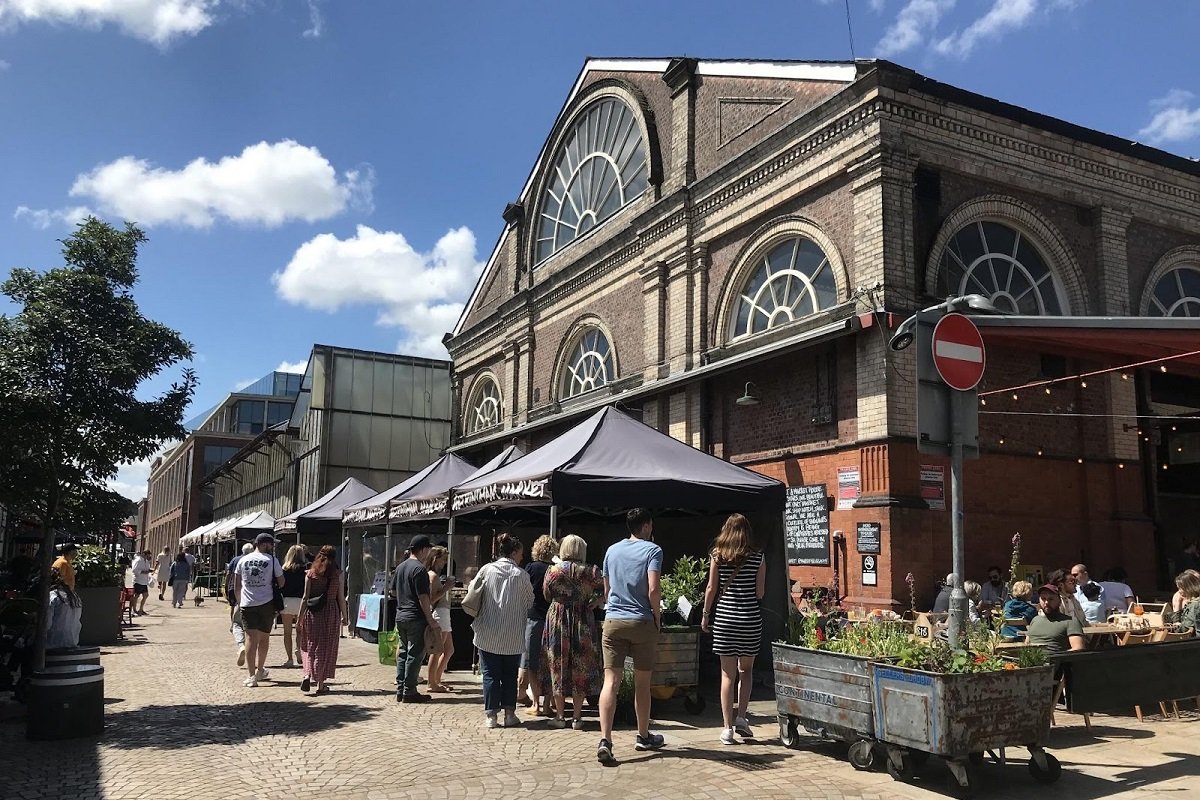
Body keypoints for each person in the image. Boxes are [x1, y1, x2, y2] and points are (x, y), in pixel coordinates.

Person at [597, 508, 666, 765]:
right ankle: (643, 735)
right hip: (641, 621)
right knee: (642, 683)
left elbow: (607, 589)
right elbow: (653, 588)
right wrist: (657, 616)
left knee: (610, 682)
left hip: (613, 620)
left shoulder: (611, 551)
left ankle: (606, 740)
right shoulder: (653, 550)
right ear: (647, 526)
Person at [701, 513, 765, 746]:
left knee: (727, 674)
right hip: (749, 618)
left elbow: (711, 588)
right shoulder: (758, 556)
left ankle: (727, 728)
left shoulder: (717, 555)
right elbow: (760, 593)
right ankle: (741, 718)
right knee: (746, 671)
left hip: (725, 619)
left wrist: (706, 615)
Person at [470, 533, 533, 729]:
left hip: (487, 630)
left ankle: (491, 716)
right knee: (509, 675)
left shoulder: (486, 570)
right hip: (512, 634)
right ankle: (509, 714)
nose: (522, 557)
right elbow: (529, 601)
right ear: (514, 553)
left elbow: (473, 592)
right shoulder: (522, 575)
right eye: (521, 554)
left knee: (489, 674)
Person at [542, 534, 603, 730]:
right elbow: (609, 588)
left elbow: (546, 593)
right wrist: (598, 601)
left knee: (557, 665)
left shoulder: (553, 571)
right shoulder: (591, 571)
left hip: (558, 618)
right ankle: (577, 717)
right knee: (581, 667)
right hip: (583, 619)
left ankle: (560, 716)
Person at [234, 533, 284, 687]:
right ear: (263, 544)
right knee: (264, 638)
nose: (272, 547)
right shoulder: (272, 561)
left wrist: (240, 601)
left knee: (250, 639)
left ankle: (251, 676)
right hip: (267, 603)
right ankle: (260, 669)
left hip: (247, 603)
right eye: (270, 545)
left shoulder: (242, 560)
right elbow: (281, 582)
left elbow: (236, 585)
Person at [297, 545, 348, 695]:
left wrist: (299, 618)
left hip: (312, 612)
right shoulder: (337, 575)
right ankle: (321, 683)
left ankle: (307, 674)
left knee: (309, 645)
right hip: (331, 611)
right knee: (326, 647)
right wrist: (345, 616)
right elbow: (340, 597)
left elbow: (305, 597)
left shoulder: (310, 574)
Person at [393, 534, 438, 703]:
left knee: (404, 653)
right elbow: (423, 597)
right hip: (415, 617)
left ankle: (400, 689)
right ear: (423, 549)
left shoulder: (401, 567)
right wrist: (430, 618)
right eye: (428, 549)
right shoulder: (419, 569)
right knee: (415, 654)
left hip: (401, 615)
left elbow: (393, 592)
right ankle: (409, 691)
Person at [519, 534, 557, 715]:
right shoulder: (556, 569)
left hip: (533, 618)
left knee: (532, 663)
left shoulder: (530, 568)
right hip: (551, 619)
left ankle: (536, 704)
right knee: (550, 663)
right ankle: (548, 704)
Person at [424, 545, 456, 694]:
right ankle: (432, 682)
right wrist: (446, 588)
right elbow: (430, 599)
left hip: (444, 613)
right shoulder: (432, 576)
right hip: (439, 614)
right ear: (436, 559)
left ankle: (436, 679)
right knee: (437, 651)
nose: (444, 563)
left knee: (449, 650)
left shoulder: (434, 575)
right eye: (443, 560)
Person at [1026, 583, 1085, 655]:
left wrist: (1056, 657)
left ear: (1059, 601)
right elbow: (1026, 645)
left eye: (1051, 599)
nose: (1046, 603)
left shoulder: (1070, 621)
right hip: (1032, 662)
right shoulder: (1035, 620)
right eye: (1043, 599)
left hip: (1057, 662)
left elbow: (1078, 648)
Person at [226, 542, 254, 666]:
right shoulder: (257, 560)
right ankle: (254, 658)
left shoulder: (236, 560)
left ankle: (241, 645)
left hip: (238, 593)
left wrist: (226, 586)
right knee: (253, 628)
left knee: (237, 620)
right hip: (255, 596)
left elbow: (229, 574)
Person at [279, 545, 307, 667]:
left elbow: (280, 586)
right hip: (301, 602)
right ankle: (298, 649)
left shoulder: (283, 569)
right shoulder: (305, 569)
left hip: (286, 602)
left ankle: (289, 659)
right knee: (300, 630)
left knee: (287, 632)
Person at [46, 567, 82, 649]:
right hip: (72, 642)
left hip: (53, 644)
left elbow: (46, 624)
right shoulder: (75, 597)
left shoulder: (52, 596)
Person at [131, 550, 152, 615]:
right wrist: (143, 572)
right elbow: (134, 570)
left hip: (144, 581)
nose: (149, 556)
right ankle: (134, 610)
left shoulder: (147, 562)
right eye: (148, 555)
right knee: (136, 596)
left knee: (145, 595)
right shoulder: (138, 560)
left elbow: (147, 569)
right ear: (145, 554)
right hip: (138, 581)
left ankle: (141, 609)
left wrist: (149, 571)